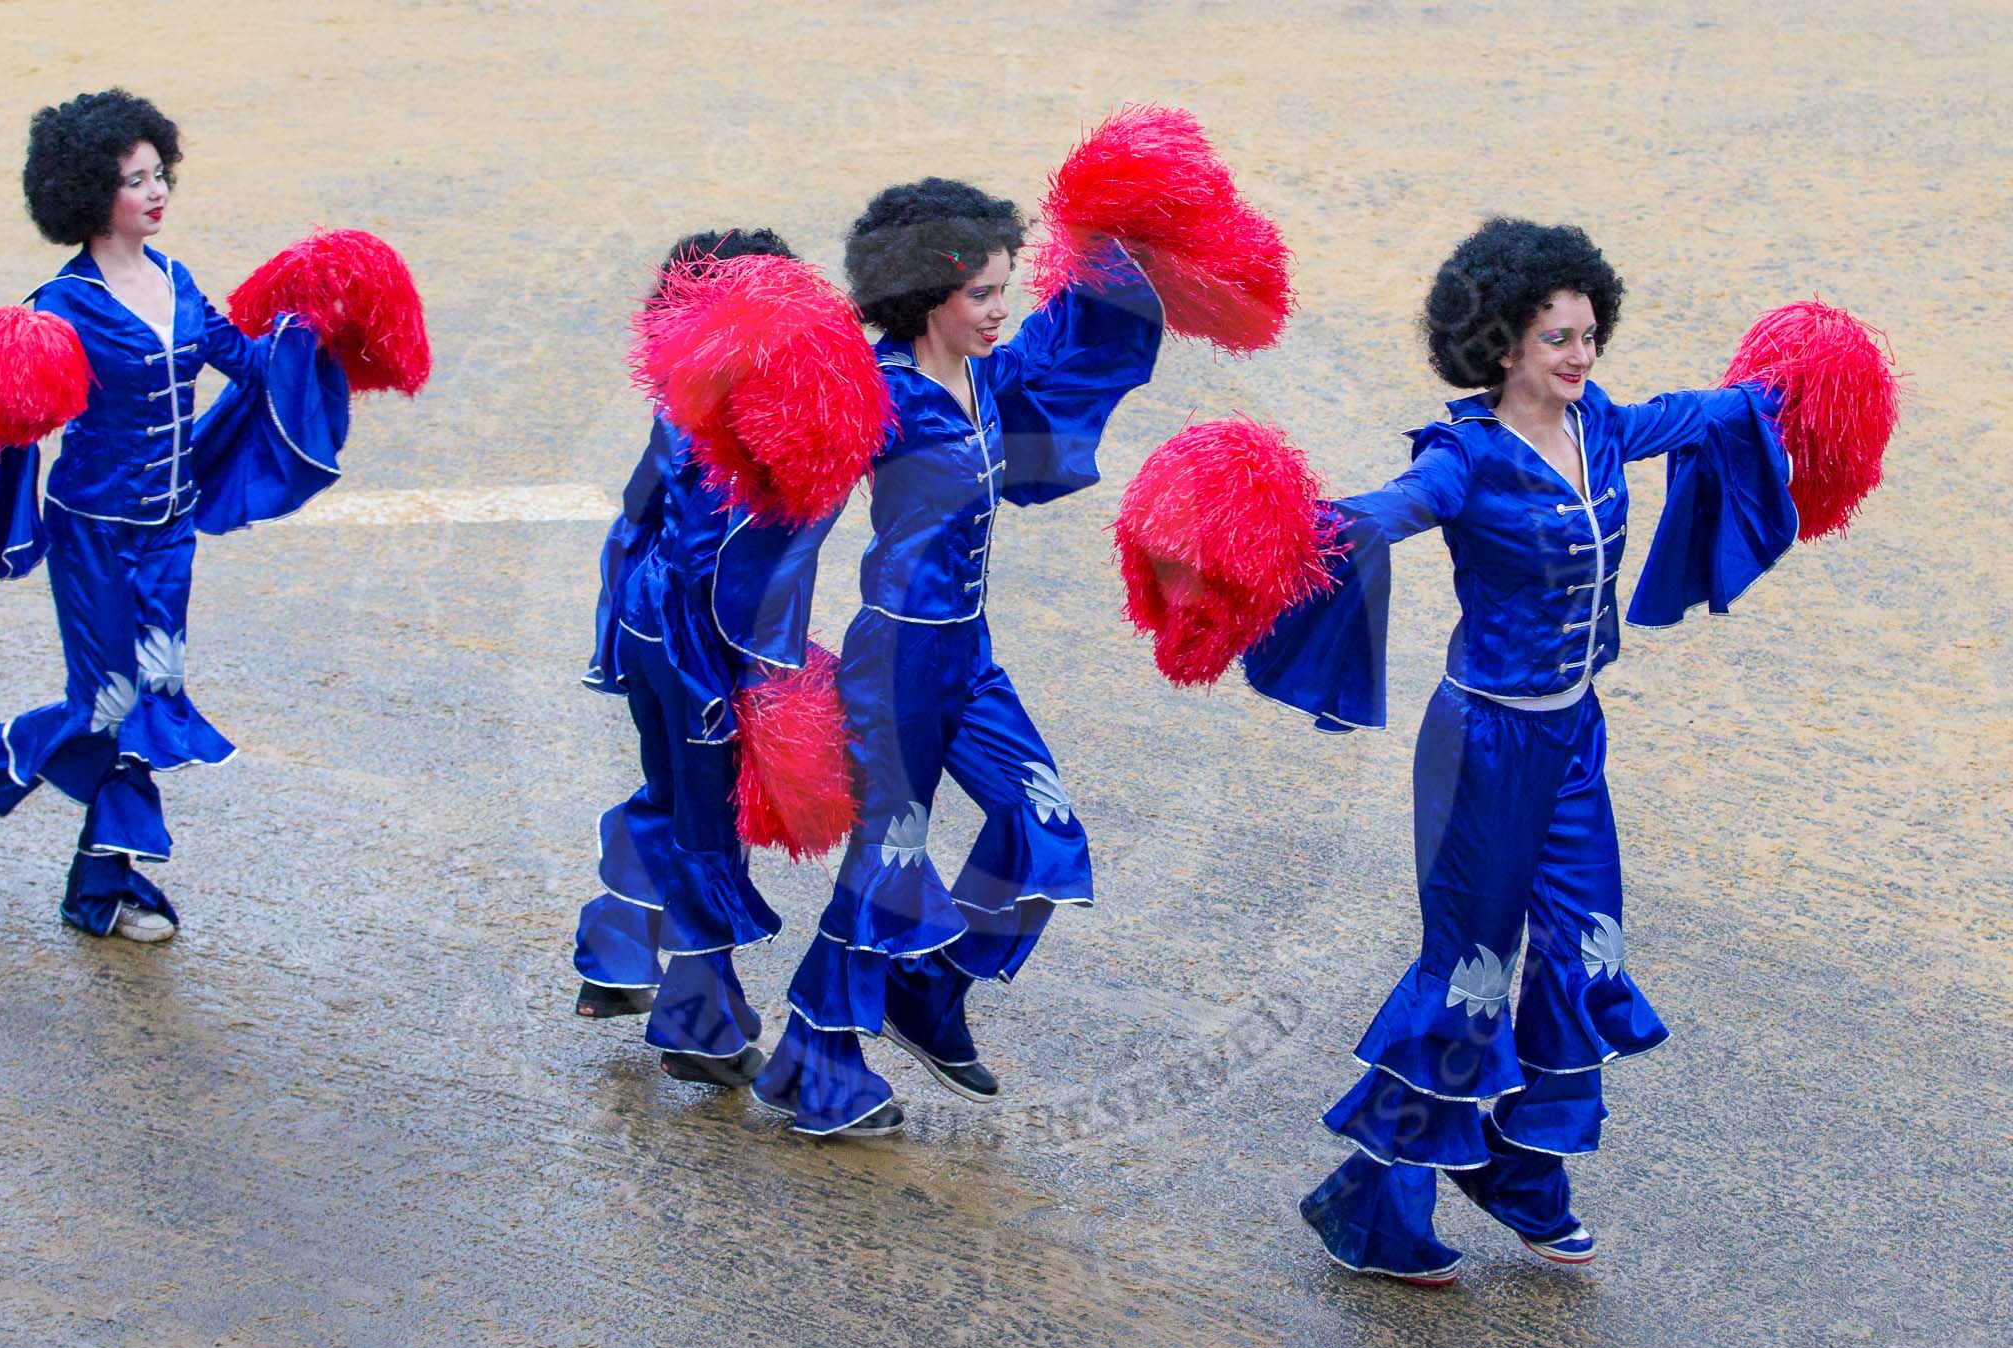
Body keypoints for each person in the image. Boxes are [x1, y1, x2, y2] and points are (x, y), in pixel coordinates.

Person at [1244, 218, 1804, 1282]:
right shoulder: (1464, 457)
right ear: (1502, 347)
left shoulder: (1599, 427)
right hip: (1481, 747)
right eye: (1556, 338)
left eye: (1587, 333)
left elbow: (1698, 415)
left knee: (1585, 946)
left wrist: (1787, 387)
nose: (1580, 355)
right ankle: (1371, 1204)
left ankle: (1514, 1164)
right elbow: (1395, 510)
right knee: (1469, 969)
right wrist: (1290, 524)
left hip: (1570, 735)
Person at [752, 178, 1164, 1137]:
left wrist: (1121, 239)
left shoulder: (990, 376)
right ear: (923, 294)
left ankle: (927, 994)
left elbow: (1081, 335)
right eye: (981, 293)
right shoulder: (876, 394)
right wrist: (768, 665)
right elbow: (795, 526)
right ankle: (817, 1069)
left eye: (1003, 286)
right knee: (887, 865)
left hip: (969, 658)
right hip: (893, 663)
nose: (1000, 307)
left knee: (1044, 827)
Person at [0, 89, 358, 941]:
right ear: (86, 196)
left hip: (170, 534)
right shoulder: (58, 305)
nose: (156, 192)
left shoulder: (177, 281)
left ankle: (98, 887)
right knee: (104, 702)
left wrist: (321, 326)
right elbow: (11, 419)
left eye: (158, 174)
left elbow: (247, 364)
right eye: (133, 180)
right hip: (94, 536)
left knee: (150, 698)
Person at [573, 229, 843, 1087]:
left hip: (647, 626)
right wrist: (761, 669)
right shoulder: (757, 423)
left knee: (672, 797)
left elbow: (634, 514)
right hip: (698, 653)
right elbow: (726, 566)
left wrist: (615, 641)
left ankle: (615, 960)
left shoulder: (680, 399)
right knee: (708, 826)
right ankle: (697, 1024)